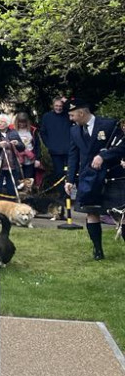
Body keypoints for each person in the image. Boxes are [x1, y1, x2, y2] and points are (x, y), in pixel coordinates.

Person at [65, 99, 125, 261]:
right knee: (92, 212)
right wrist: (69, 179)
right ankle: (98, 250)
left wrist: (103, 156)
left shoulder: (109, 124)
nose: (71, 118)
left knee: (122, 214)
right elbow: (73, 155)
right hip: (89, 178)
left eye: (72, 115)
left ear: (82, 113)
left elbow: (122, 146)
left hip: (112, 176)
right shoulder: (74, 131)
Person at [39, 96, 70, 189]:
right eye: (56, 105)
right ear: (53, 106)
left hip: (69, 150)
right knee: (59, 173)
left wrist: (67, 102)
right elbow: (43, 132)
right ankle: (62, 194)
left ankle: (73, 195)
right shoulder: (47, 116)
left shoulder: (68, 115)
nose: (58, 108)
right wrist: (49, 145)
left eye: (60, 106)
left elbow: (77, 108)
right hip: (55, 151)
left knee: (70, 172)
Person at [13, 112, 41, 188]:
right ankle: (20, 196)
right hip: (17, 159)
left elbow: (37, 145)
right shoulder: (12, 130)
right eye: (20, 122)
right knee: (19, 181)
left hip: (30, 158)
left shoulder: (32, 130)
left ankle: (28, 195)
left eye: (24, 122)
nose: (22, 124)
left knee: (29, 179)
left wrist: (38, 159)